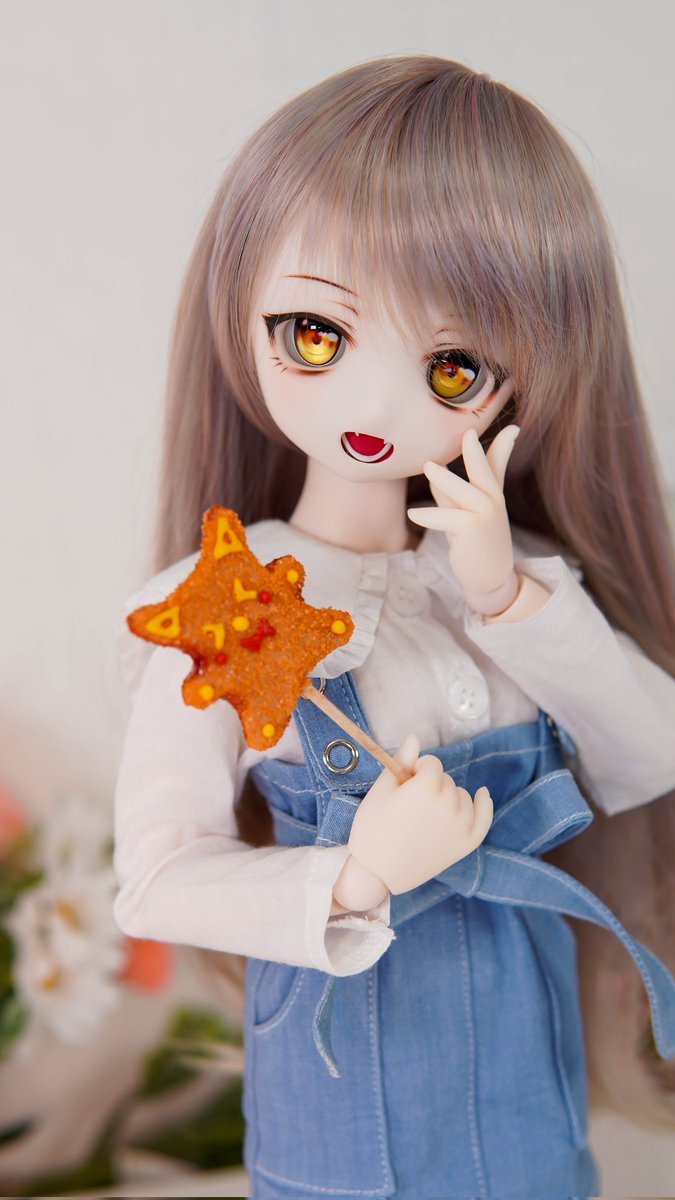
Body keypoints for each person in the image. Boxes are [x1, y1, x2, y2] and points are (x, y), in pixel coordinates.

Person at [113, 55, 675, 1199]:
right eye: (318, 336)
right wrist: (357, 876)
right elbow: (155, 879)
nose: (375, 408)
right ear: (240, 305)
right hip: (341, 1064)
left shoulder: (519, 580)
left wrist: (508, 597)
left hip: (521, 1041)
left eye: (452, 366)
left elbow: (647, 752)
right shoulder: (220, 599)